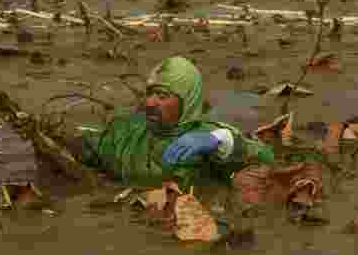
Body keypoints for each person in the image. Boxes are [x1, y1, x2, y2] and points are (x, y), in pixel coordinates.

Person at [64, 56, 274, 189]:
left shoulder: (205, 136)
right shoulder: (130, 131)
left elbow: (265, 157)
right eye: (149, 94)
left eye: (162, 96)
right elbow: (88, 145)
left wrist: (221, 140)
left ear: (187, 102)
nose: (150, 103)